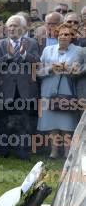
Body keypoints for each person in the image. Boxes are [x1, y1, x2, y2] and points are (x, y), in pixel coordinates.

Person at [0, 15, 40, 160]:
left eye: (15, 26)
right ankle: (3, 151)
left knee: (25, 122)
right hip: (4, 90)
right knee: (2, 122)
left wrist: (24, 53)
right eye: (10, 26)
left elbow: (37, 62)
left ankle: (22, 152)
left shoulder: (32, 43)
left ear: (24, 28)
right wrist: (8, 56)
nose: (12, 28)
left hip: (25, 90)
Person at [37, 23, 81, 159]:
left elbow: (81, 70)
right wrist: (51, 68)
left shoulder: (80, 51)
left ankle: (68, 153)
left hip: (67, 89)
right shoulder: (47, 50)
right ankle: (54, 152)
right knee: (52, 123)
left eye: (67, 34)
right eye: (60, 34)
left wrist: (70, 69)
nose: (63, 36)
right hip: (48, 89)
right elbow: (38, 72)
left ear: (72, 36)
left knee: (67, 124)